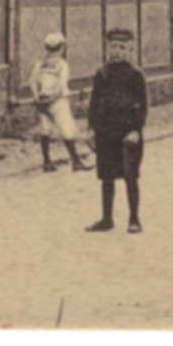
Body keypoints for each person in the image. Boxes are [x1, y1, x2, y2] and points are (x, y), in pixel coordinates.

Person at [85, 27, 147, 234]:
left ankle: (134, 218)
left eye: (122, 47)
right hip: (105, 132)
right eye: (114, 46)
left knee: (130, 176)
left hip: (128, 134)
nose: (117, 51)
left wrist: (136, 130)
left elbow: (143, 105)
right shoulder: (102, 74)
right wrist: (91, 128)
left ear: (130, 49)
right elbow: (94, 103)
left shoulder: (135, 75)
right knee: (106, 177)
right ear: (107, 48)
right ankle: (106, 218)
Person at [29, 32, 91, 173]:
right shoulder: (62, 65)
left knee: (45, 129)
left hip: (42, 100)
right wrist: (54, 98)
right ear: (62, 47)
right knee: (66, 129)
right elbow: (62, 85)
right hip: (57, 101)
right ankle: (76, 161)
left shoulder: (40, 64)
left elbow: (32, 81)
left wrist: (37, 97)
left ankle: (47, 162)